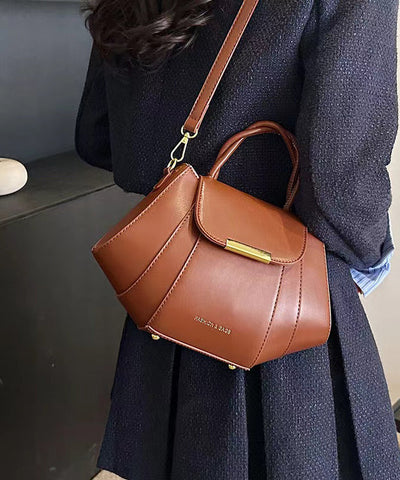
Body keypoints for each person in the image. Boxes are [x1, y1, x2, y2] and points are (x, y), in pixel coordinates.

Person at [75, 1, 400, 479]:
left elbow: (97, 136)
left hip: (171, 293)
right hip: (283, 305)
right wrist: (368, 261)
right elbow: (340, 179)